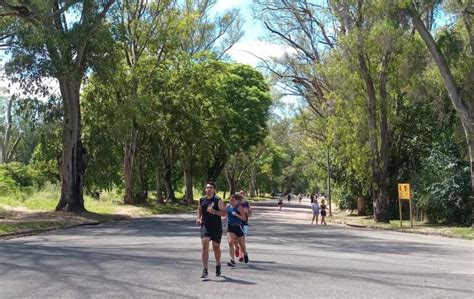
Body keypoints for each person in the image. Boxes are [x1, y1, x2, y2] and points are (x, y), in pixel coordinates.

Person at [196, 181, 226, 279]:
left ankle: (218, 264)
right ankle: (205, 270)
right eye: (207, 187)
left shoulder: (218, 200)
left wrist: (213, 211)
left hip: (216, 227)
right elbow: (199, 209)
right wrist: (198, 218)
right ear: (205, 189)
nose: (209, 189)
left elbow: (224, 213)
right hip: (205, 226)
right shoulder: (201, 200)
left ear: (214, 189)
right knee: (205, 244)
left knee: (215, 247)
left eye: (211, 188)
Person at [226, 193, 249, 267]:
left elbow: (244, 218)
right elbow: (227, 213)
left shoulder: (239, 207)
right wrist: (225, 218)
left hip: (238, 226)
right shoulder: (227, 206)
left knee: (241, 243)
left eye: (233, 200)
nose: (231, 202)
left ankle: (245, 253)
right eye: (230, 200)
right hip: (230, 226)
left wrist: (236, 214)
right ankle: (232, 260)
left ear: (236, 201)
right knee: (230, 242)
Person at [236, 190, 251, 262]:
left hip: (245, 223)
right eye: (240, 193)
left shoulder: (246, 203)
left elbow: (247, 212)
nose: (242, 194)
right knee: (236, 240)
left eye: (243, 194)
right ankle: (238, 251)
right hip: (237, 223)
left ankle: (241, 255)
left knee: (242, 240)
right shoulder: (235, 203)